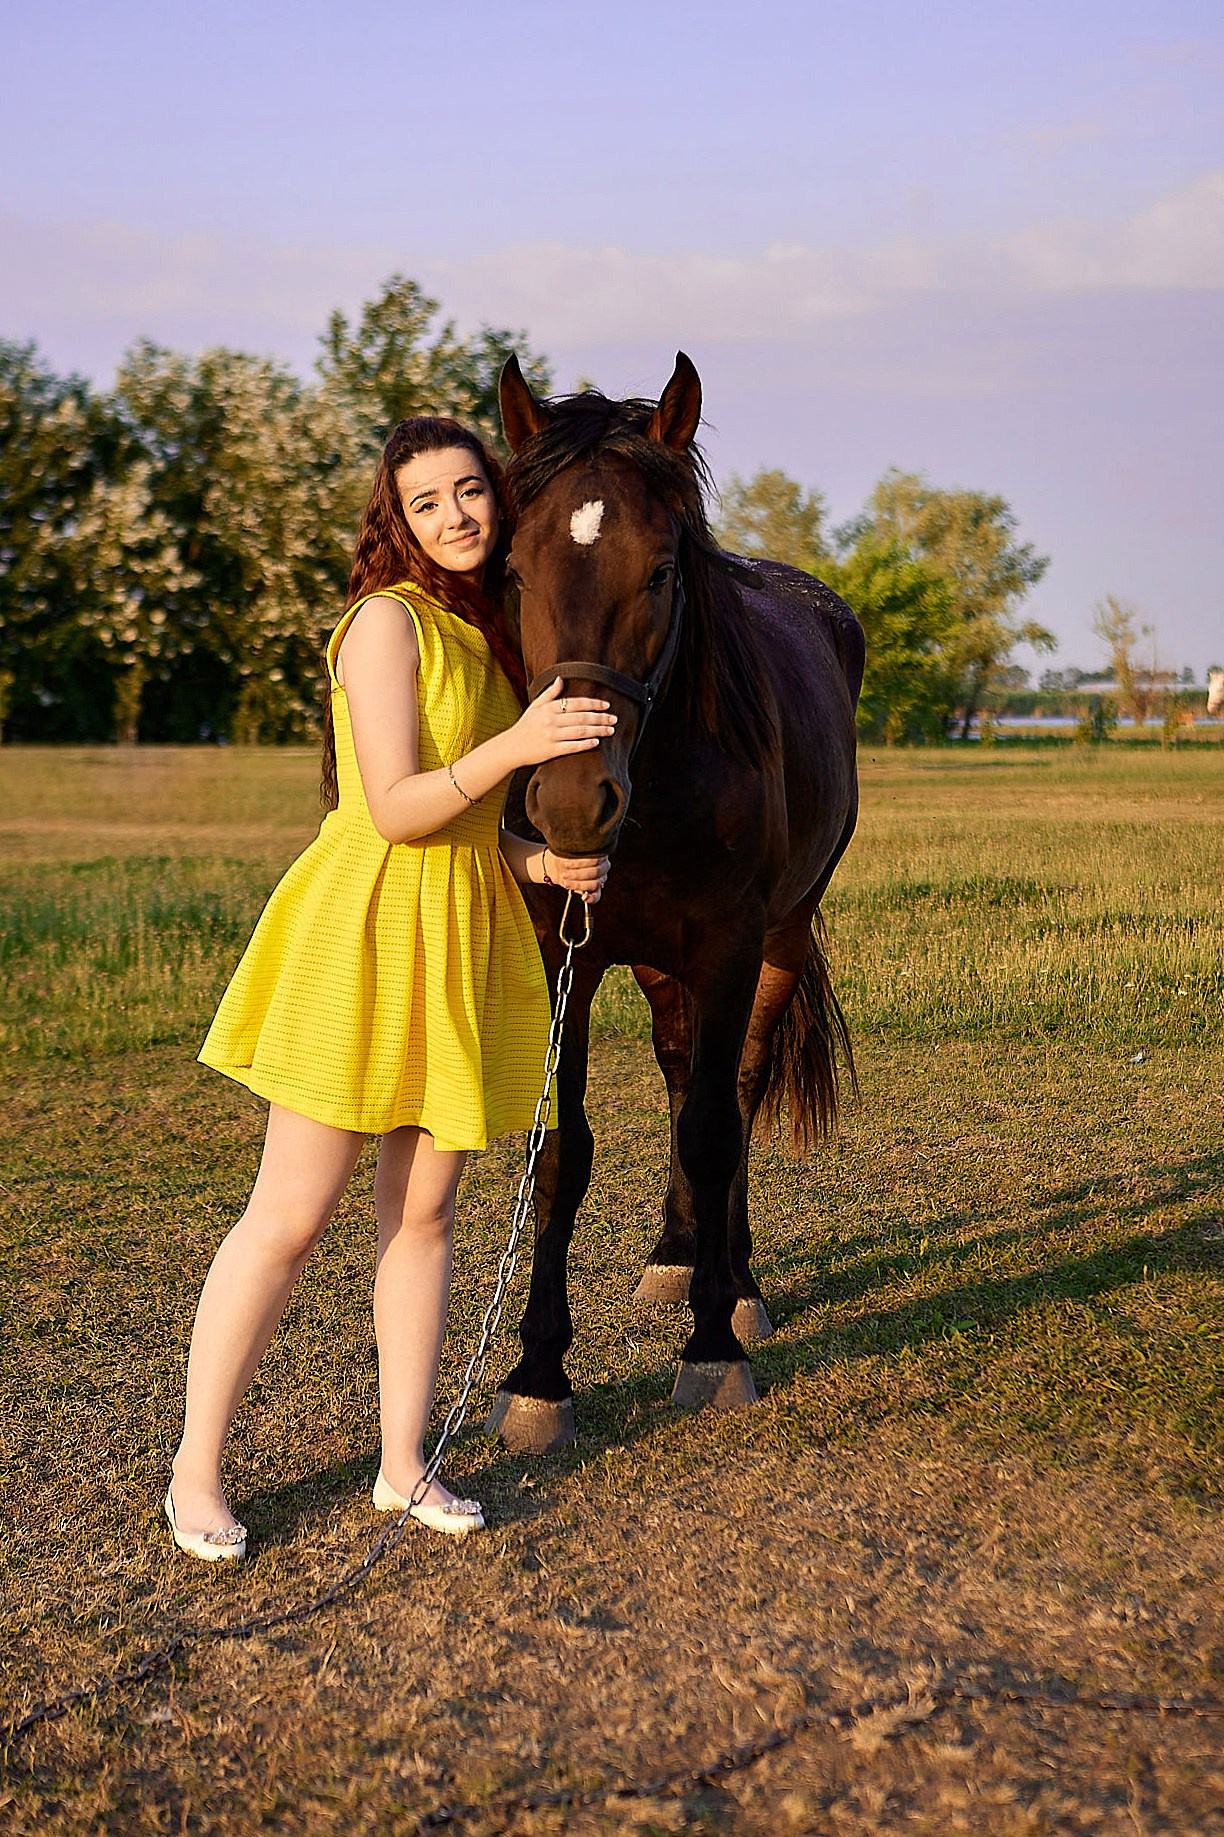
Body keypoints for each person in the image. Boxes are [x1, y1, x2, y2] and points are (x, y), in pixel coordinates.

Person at [166, 416, 615, 1560]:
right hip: (362, 931)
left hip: (460, 926)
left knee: (423, 1211)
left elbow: (461, 831)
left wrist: (539, 862)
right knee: (292, 1215)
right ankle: (196, 1470)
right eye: (428, 502)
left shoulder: (489, 627)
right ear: (395, 519)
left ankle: (403, 1464)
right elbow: (393, 806)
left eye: (471, 492)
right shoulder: (384, 623)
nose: (457, 515)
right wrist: (519, 747)